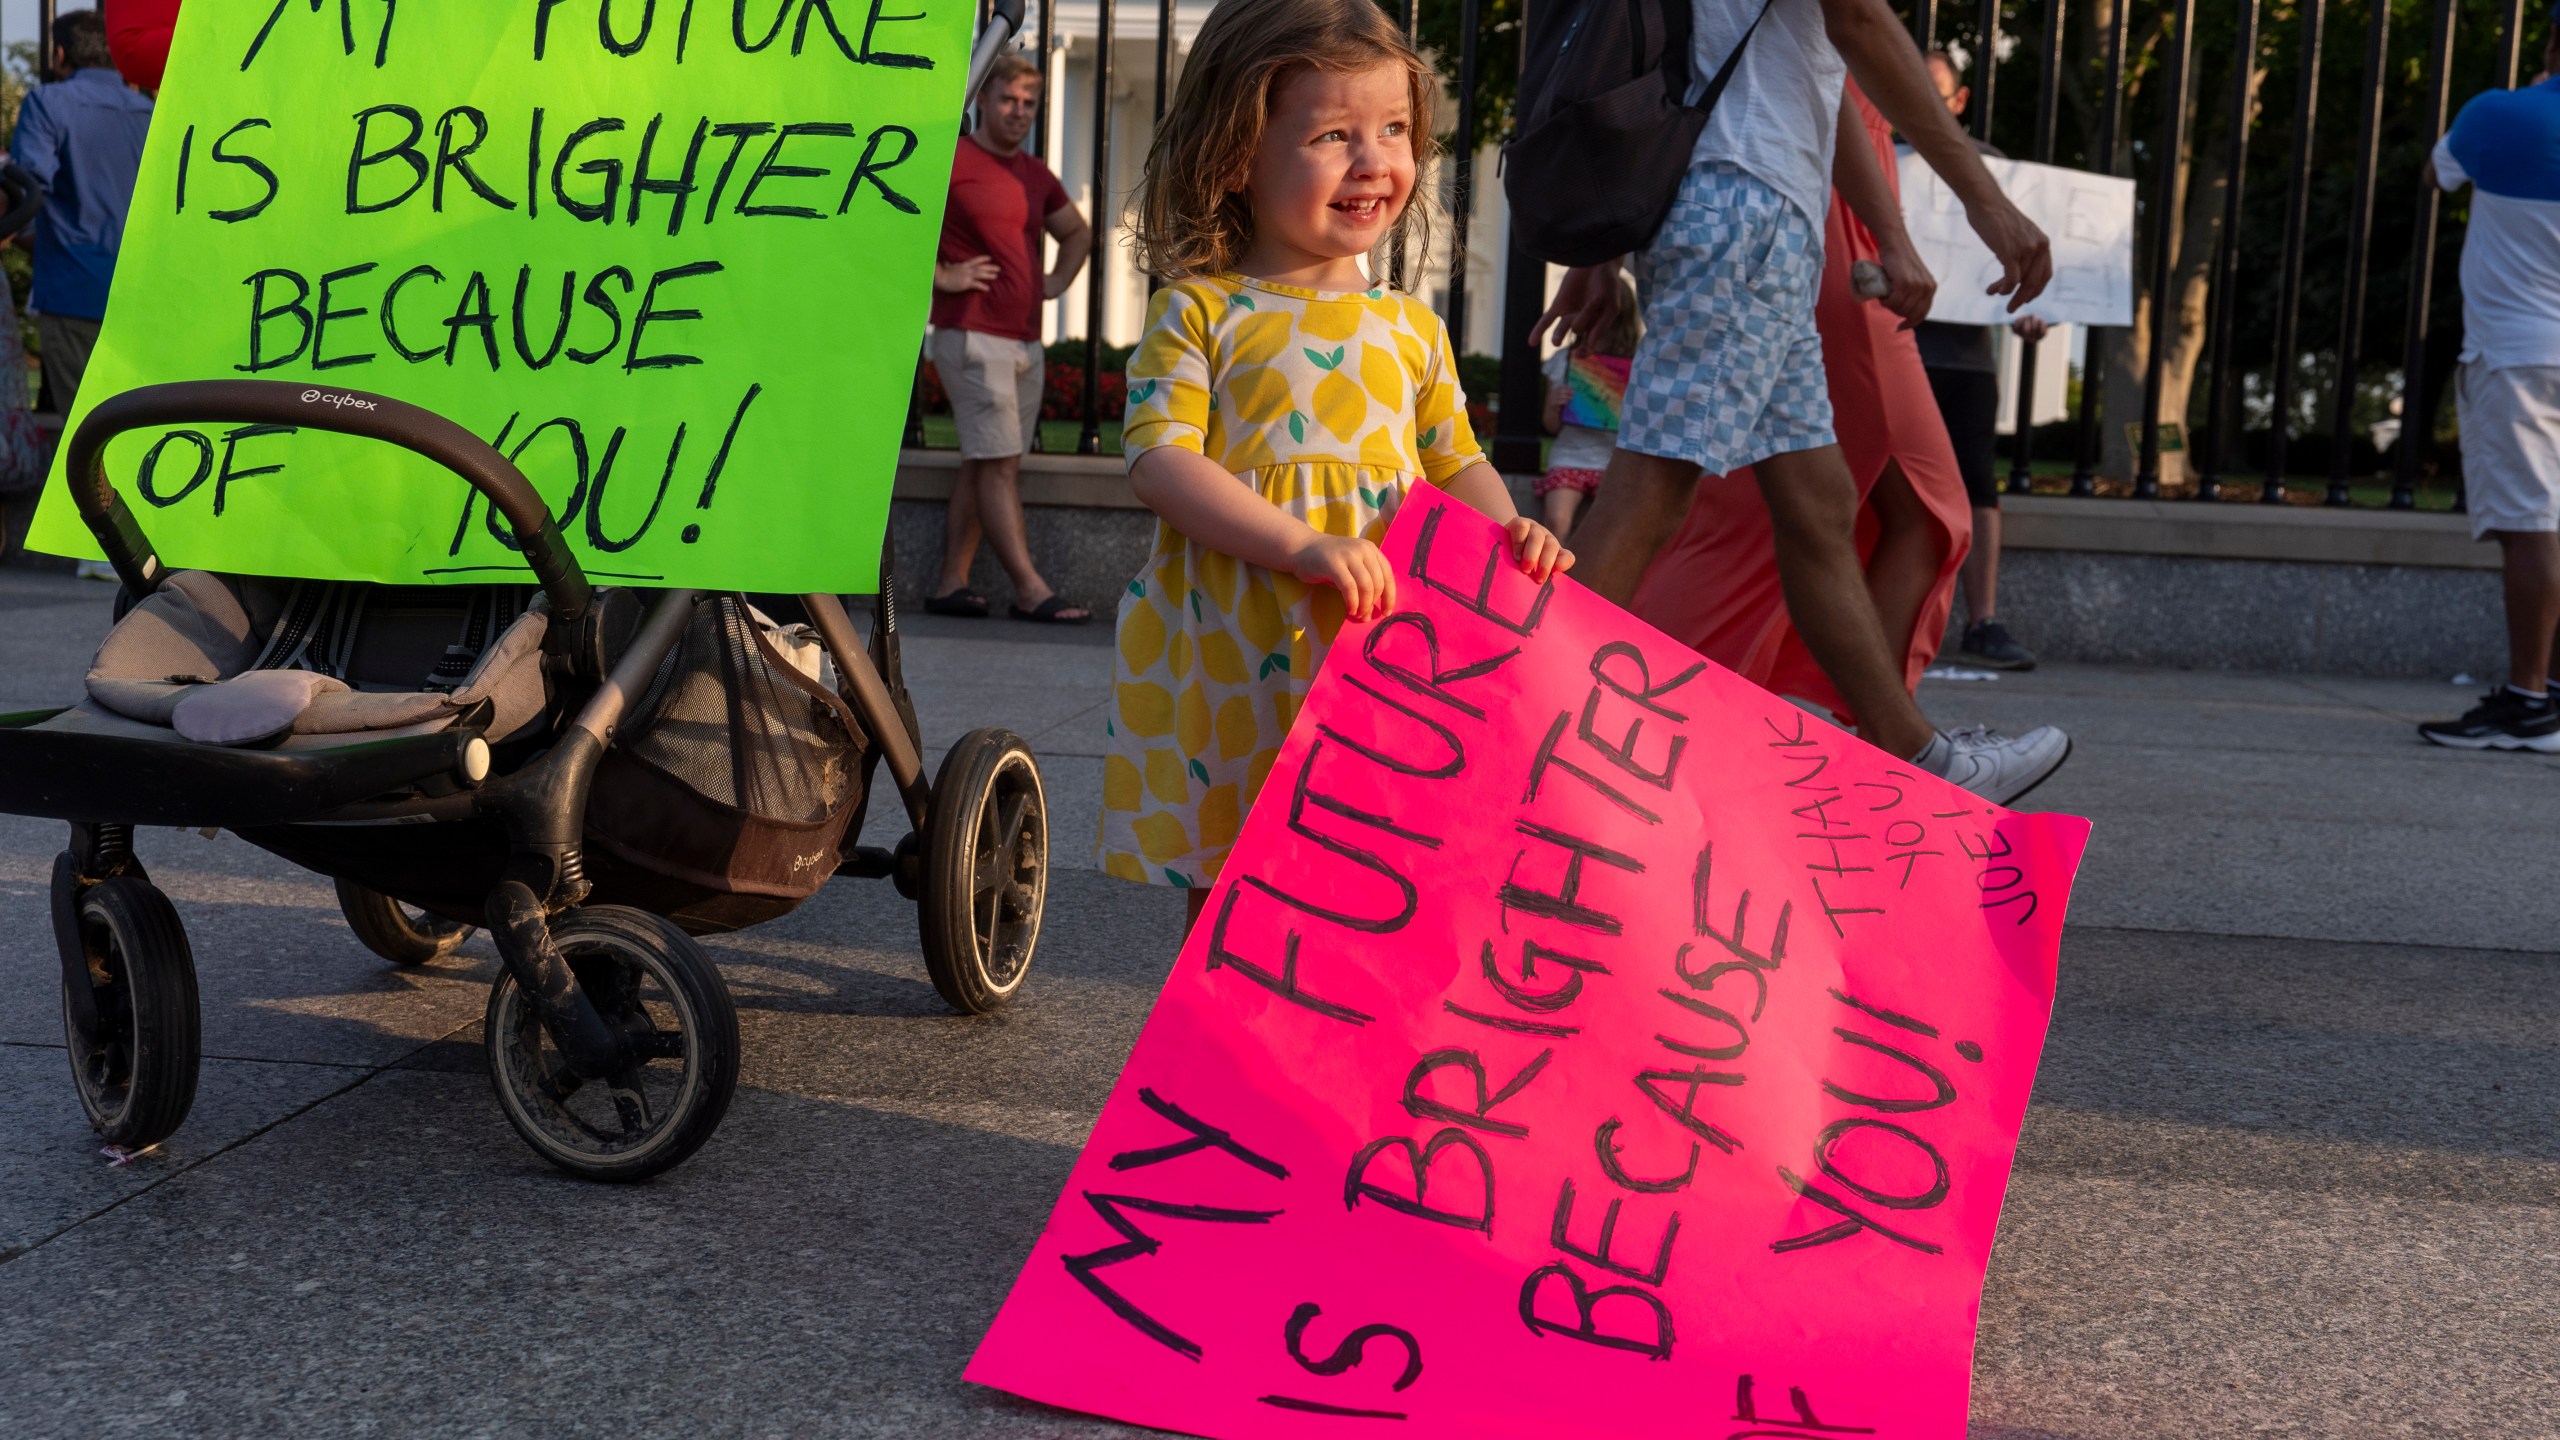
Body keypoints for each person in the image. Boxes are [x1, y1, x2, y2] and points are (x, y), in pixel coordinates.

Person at [1099, 0, 1570, 922]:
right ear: (1237, 157)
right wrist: (1299, 545)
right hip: (1243, 648)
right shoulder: (1202, 312)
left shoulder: (1410, 325)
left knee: (1374, 864)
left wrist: (1509, 529)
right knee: (1235, 877)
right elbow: (1160, 460)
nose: (1374, 160)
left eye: (1393, 129)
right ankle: (1217, 1055)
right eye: (1333, 135)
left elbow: (1454, 461)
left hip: (1383, 645)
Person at [1534, 0, 2071, 804]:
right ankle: (1516, 735)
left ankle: (1912, 755)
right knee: (1650, 494)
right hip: (1743, 212)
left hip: (1753, 210)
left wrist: (1888, 232)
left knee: (1819, 505)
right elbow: (1857, 18)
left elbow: (1809, 66)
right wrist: (1983, 196)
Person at [1633, 80, 1971, 722]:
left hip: (1794, 212)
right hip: (1811, 218)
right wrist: (1951, 219)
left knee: (1820, 508)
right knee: (1721, 510)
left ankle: (1882, 747)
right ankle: (1573, 710)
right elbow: (1847, 39)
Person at [2419, 21, 2560, 752]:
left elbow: (2436, 175)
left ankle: (2527, 704)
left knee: (2532, 524)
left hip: (2522, 353)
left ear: (2551, 44)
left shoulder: (2498, 115)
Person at [926, 51, 1095, 623]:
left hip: (1023, 339)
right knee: (997, 464)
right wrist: (942, 276)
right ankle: (1031, 590)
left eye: (1029, 102)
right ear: (982, 99)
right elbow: (892, 227)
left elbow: (1076, 233)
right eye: (1008, 99)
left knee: (988, 463)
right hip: (972, 335)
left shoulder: (1033, 174)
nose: (1019, 112)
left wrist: (1055, 281)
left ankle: (951, 581)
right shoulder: (951, 161)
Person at [13, 9, 151, 581]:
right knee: (139, 416)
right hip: (142, 290)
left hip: (74, 283)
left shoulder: (49, 105)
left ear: (62, 53)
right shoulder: (149, 110)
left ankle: (101, 550)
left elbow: (24, 186)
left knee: (82, 424)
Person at [1915, 48, 2041, 671]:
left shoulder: (1990, 166)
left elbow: (2019, 255)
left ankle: (1983, 621)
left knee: (1978, 485)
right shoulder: (1880, 159)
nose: (1922, 96)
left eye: (1935, 89)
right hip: (1891, 346)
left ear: (1960, 101)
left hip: (1965, 357)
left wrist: (2031, 307)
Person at [1537, 272, 1640, 539]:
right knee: (1556, 520)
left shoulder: (1637, 369)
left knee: (1613, 529)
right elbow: (1551, 425)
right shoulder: (1565, 363)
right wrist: (1555, 404)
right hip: (1570, 457)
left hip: (1614, 464)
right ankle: (1550, 579)